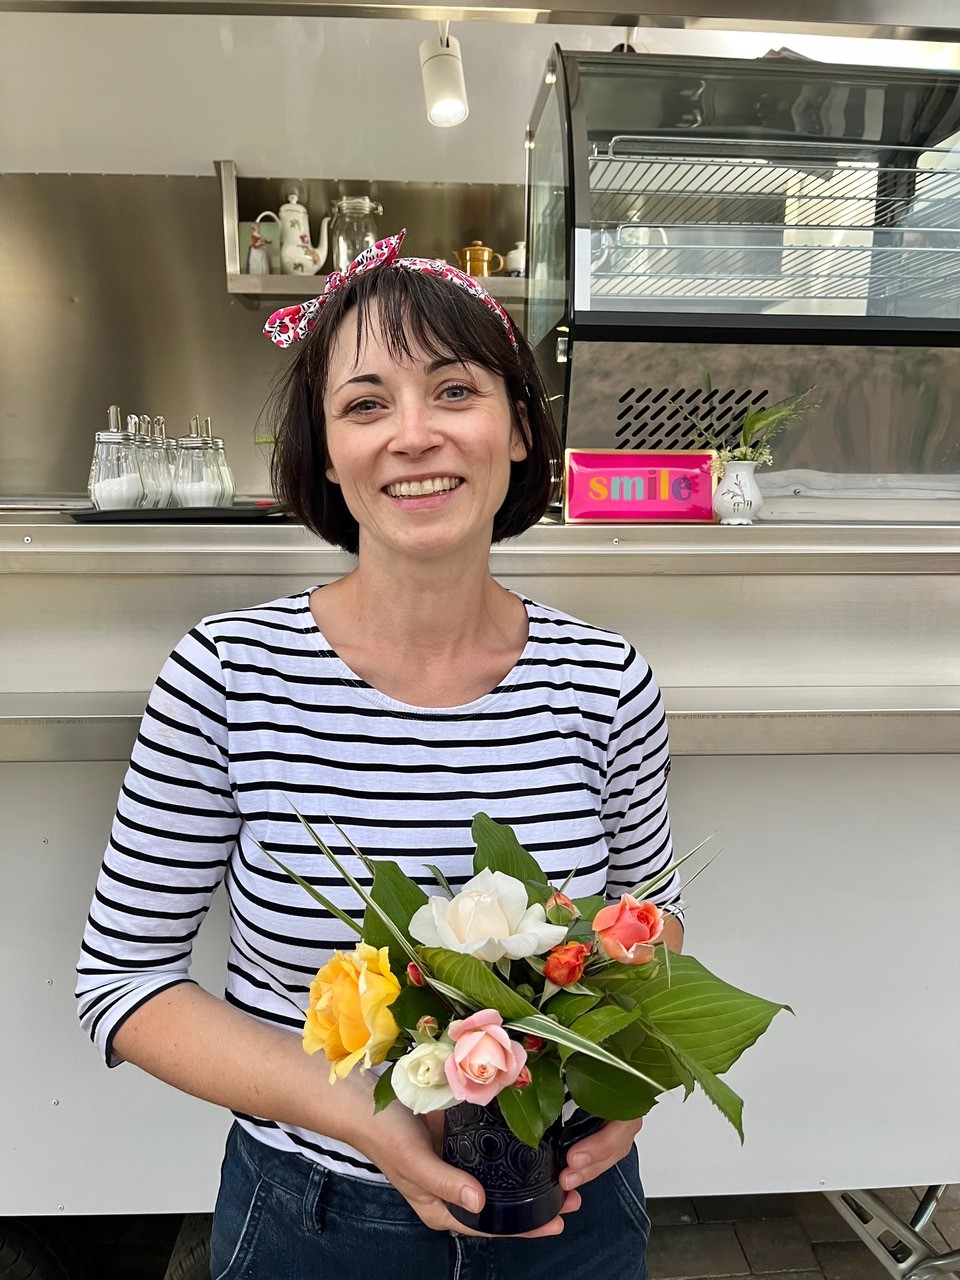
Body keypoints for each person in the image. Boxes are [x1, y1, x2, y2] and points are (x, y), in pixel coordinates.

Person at [76, 230, 684, 1280]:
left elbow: (652, 926)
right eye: (365, 404)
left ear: (519, 429)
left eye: (454, 390)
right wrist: (365, 1115)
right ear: (324, 452)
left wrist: (631, 1075)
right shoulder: (228, 674)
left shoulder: (605, 678)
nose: (413, 434)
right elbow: (124, 984)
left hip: (570, 1212)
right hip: (314, 1219)